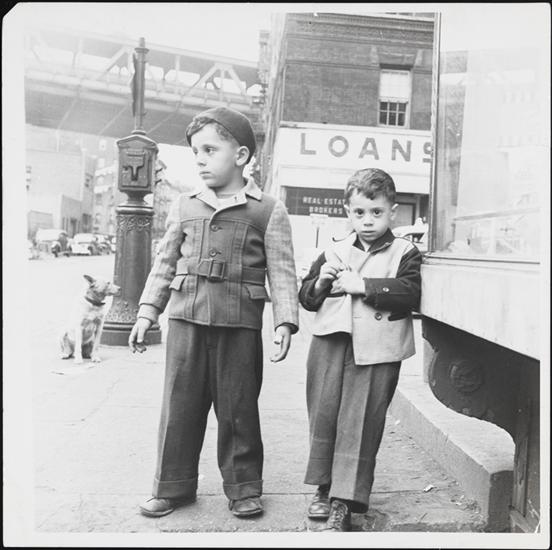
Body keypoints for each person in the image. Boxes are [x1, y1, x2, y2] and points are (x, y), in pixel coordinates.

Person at [129, 106, 299, 519]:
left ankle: (243, 488)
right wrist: (147, 311)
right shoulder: (185, 206)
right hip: (185, 319)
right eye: (195, 152)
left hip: (239, 324)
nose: (200, 159)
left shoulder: (267, 209)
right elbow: (165, 262)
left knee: (239, 409)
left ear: (240, 156)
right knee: (179, 407)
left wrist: (285, 321)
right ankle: (172, 486)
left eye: (210, 150)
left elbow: (281, 269)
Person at [298, 168, 422, 531]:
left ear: (392, 212)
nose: (368, 221)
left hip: (377, 349)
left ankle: (344, 501)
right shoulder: (334, 248)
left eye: (377, 212)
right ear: (347, 212)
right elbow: (307, 298)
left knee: (361, 422)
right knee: (324, 414)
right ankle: (323, 487)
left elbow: (411, 292)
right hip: (330, 342)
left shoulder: (405, 251)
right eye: (359, 212)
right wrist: (320, 283)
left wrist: (364, 285)